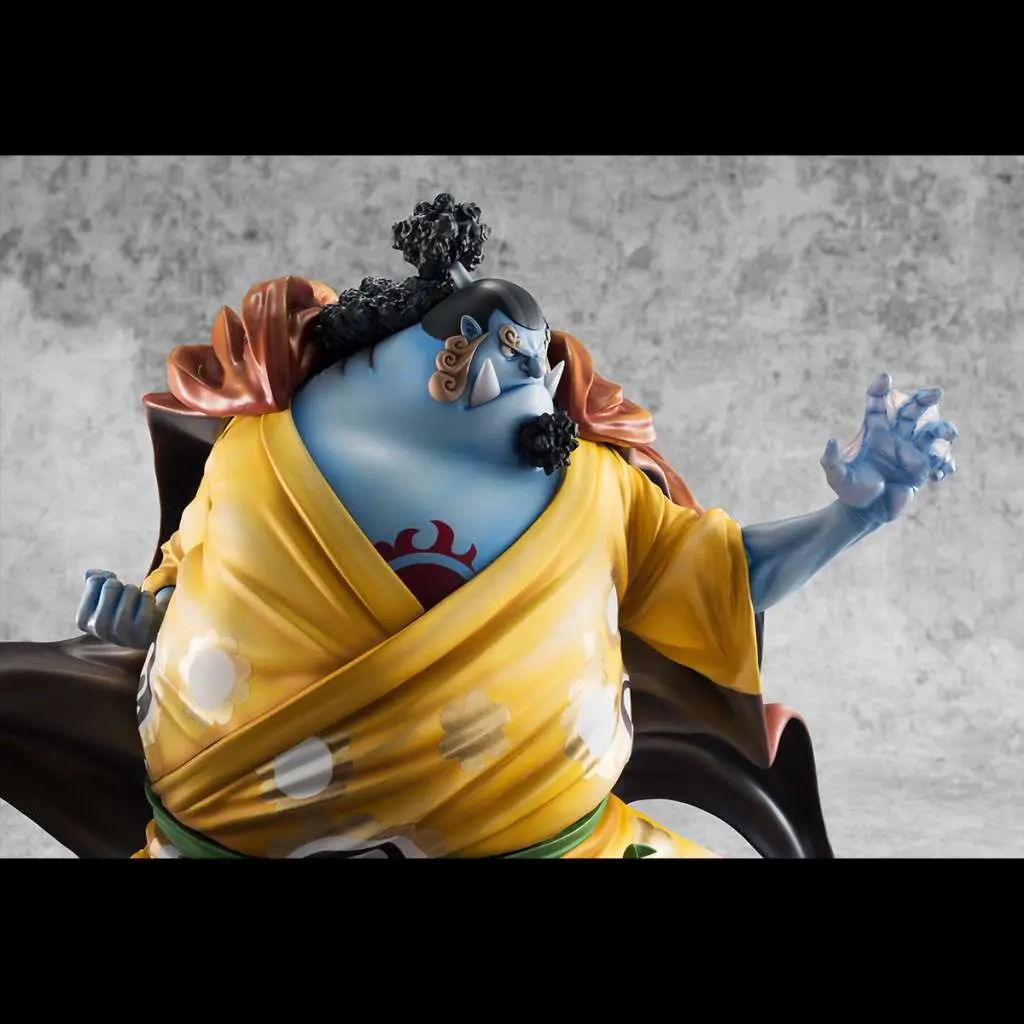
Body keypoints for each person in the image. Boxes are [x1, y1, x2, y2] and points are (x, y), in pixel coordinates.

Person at [1, 194, 958, 859]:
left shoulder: (596, 490)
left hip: (551, 839)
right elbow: (190, 575)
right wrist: (147, 616)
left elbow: (725, 580)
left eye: (535, 357)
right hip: (241, 832)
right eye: (500, 351)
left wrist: (853, 513)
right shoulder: (258, 458)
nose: (524, 374)